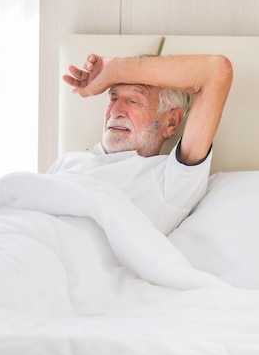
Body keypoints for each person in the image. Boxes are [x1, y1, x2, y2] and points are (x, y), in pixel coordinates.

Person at [48, 53, 233, 235]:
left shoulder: (169, 180)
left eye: (133, 101)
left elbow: (216, 72)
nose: (115, 112)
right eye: (113, 98)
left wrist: (114, 70)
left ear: (171, 123)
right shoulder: (67, 162)